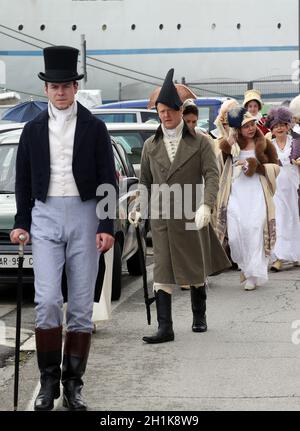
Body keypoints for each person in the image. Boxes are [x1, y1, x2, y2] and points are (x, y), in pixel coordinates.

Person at [10, 45, 117, 411]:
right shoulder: (32, 129)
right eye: (54, 86)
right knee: (48, 301)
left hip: (86, 215)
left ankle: (74, 385)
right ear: (45, 89)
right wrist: (21, 222)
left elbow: (108, 180)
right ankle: (47, 384)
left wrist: (106, 224)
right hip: (45, 215)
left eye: (66, 85)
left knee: (82, 307)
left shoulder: (95, 126)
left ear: (75, 87)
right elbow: (23, 180)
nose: (60, 91)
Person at [129, 69, 230, 343]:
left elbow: (211, 175)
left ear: (179, 111)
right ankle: (165, 327)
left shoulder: (200, 142)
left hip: (191, 212)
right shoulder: (150, 145)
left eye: (170, 111)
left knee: (193, 269)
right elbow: (145, 181)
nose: (165, 115)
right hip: (162, 217)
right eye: (160, 111)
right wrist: (139, 206)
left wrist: (207, 206)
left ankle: (199, 314)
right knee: (161, 271)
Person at [216, 106, 279, 291]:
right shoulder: (231, 145)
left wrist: (252, 164)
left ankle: (254, 273)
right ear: (239, 129)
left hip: (257, 192)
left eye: (252, 124)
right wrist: (228, 144)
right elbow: (219, 164)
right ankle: (245, 267)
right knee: (235, 234)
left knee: (254, 230)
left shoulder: (265, 144)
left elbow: (275, 167)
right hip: (236, 192)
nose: (251, 128)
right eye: (246, 126)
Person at [264, 107, 300, 271]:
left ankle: (294, 254)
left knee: (292, 219)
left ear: (288, 126)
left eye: (282, 124)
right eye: (276, 125)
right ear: (271, 127)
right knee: (279, 219)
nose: (279, 128)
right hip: (276, 188)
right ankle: (278, 257)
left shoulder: (296, 143)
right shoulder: (268, 145)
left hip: (293, 187)